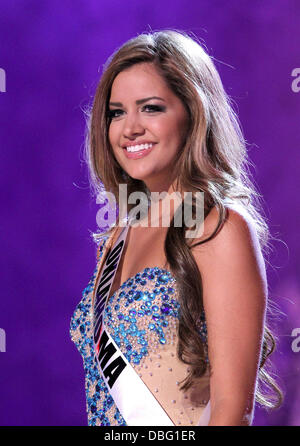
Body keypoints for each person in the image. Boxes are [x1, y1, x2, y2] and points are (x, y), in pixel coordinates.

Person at [70, 29, 283, 426]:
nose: (129, 128)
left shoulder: (219, 228)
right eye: (116, 112)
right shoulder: (119, 234)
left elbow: (232, 410)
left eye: (150, 108)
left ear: (193, 113)